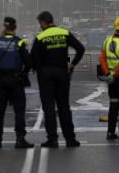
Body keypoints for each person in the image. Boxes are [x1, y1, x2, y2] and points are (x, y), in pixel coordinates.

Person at [31, 10, 84, 148]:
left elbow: (32, 58)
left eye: (40, 23)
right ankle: (70, 139)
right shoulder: (64, 33)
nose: (40, 26)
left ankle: (52, 139)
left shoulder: (41, 37)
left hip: (46, 74)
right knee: (64, 107)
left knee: (48, 108)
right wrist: (72, 65)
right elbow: (81, 49)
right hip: (62, 73)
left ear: (43, 22)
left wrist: (37, 68)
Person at [0, 16, 33, 149]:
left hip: (1, 81)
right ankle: (20, 139)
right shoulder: (19, 43)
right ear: (15, 28)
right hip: (16, 81)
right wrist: (22, 73)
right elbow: (28, 63)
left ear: (4, 28)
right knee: (19, 111)